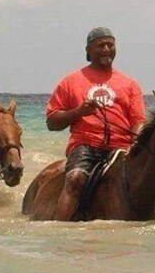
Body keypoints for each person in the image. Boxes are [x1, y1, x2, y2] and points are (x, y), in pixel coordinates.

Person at [46, 27, 146, 220]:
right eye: (101, 45)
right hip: (86, 146)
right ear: (88, 50)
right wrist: (78, 112)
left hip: (121, 148)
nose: (107, 49)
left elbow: (138, 121)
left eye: (111, 44)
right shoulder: (70, 81)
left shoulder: (130, 84)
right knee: (75, 179)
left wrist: (135, 146)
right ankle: (60, 229)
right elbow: (52, 122)